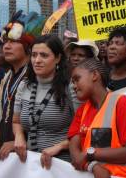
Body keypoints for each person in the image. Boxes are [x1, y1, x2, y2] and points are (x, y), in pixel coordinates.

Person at [69, 58, 126, 178]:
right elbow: (75, 153)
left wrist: (89, 154)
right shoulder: (81, 111)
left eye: (77, 79)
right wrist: (92, 166)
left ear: (95, 75)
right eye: (72, 82)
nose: (74, 86)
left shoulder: (123, 104)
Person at [13, 35, 79, 168]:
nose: (37, 60)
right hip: (31, 163)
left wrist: (60, 146)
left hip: (61, 165)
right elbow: (16, 121)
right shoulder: (24, 85)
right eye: (34, 55)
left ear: (58, 58)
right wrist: (19, 136)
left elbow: (85, 128)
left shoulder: (71, 87)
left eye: (44, 55)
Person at [0, 11, 45, 160]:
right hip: (6, 148)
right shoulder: (8, 76)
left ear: (28, 47)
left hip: (27, 152)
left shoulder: (35, 76)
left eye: (13, 42)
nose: (6, 47)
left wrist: (21, 140)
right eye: (5, 42)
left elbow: (43, 121)